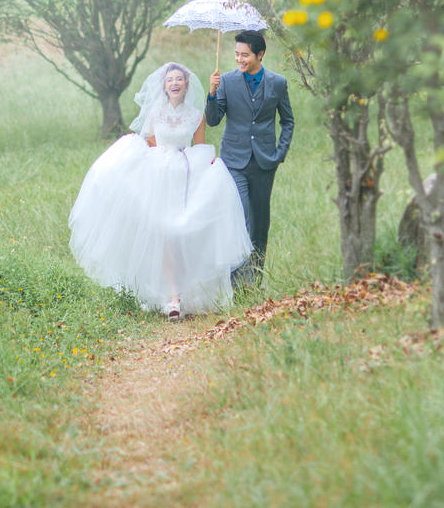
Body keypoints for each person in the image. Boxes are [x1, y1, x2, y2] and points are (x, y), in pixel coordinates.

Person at [69, 62, 252, 321]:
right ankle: (173, 296)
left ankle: (191, 290)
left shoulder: (196, 116)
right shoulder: (156, 113)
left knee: (182, 233)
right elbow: (151, 144)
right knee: (164, 234)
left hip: (185, 177)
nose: (175, 83)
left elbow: (200, 148)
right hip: (159, 178)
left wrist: (210, 166)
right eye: (170, 80)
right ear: (164, 86)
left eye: (179, 79)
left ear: (187, 84)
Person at [205, 30, 294, 287]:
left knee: (259, 223)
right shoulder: (227, 81)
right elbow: (212, 120)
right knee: (240, 218)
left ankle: (253, 281)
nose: (239, 59)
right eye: (236, 54)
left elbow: (288, 121)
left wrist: (280, 153)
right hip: (234, 161)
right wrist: (212, 93)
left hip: (265, 162)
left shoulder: (277, 83)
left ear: (260, 54)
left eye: (245, 55)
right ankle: (234, 282)